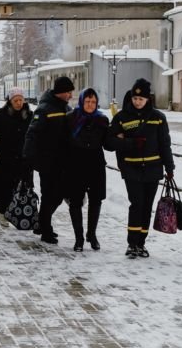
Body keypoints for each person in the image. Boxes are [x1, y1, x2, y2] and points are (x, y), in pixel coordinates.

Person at [109, 78, 175, 258]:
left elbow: (164, 145)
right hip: (131, 168)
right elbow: (109, 142)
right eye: (135, 98)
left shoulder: (158, 118)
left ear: (148, 100)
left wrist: (169, 168)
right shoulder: (121, 117)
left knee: (147, 206)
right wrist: (129, 142)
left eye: (141, 99)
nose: (137, 102)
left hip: (153, 169)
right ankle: (132, 243)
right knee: (136, 204)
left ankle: (141, 243)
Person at [23, 76, 73, 244]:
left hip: (62, 160)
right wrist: (28, 158)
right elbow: (32, 134)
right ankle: (45, 229)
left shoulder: (66, 108)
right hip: (47, 161)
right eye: (68, 92)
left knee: (58, 195)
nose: (70, 95)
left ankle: (43, 224)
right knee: (49, 195)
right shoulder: (44, 109)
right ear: (60, 92)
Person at [64, 88, 112, 252]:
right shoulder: (71, 119)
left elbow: (108, 144)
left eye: (93, 102)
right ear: (82, 102)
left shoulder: (102, 120)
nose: (90, 105)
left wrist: (118, 136)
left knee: (96, 200)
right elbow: (62, 141)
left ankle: (92, 234)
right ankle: (79, 237)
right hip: (75, 165)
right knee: (75, 202)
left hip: (96, 165)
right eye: (87, 101)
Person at [0, 87, 33, 227]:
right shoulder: (0, 114)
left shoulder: (29, 115)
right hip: (4, 158)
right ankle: (3, 214)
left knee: (22, 187)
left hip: (23, 158)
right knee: (4, 188)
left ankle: (21, 214)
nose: (18, 103)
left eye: (21, 100)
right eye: (15, 100)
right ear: (10, 101)